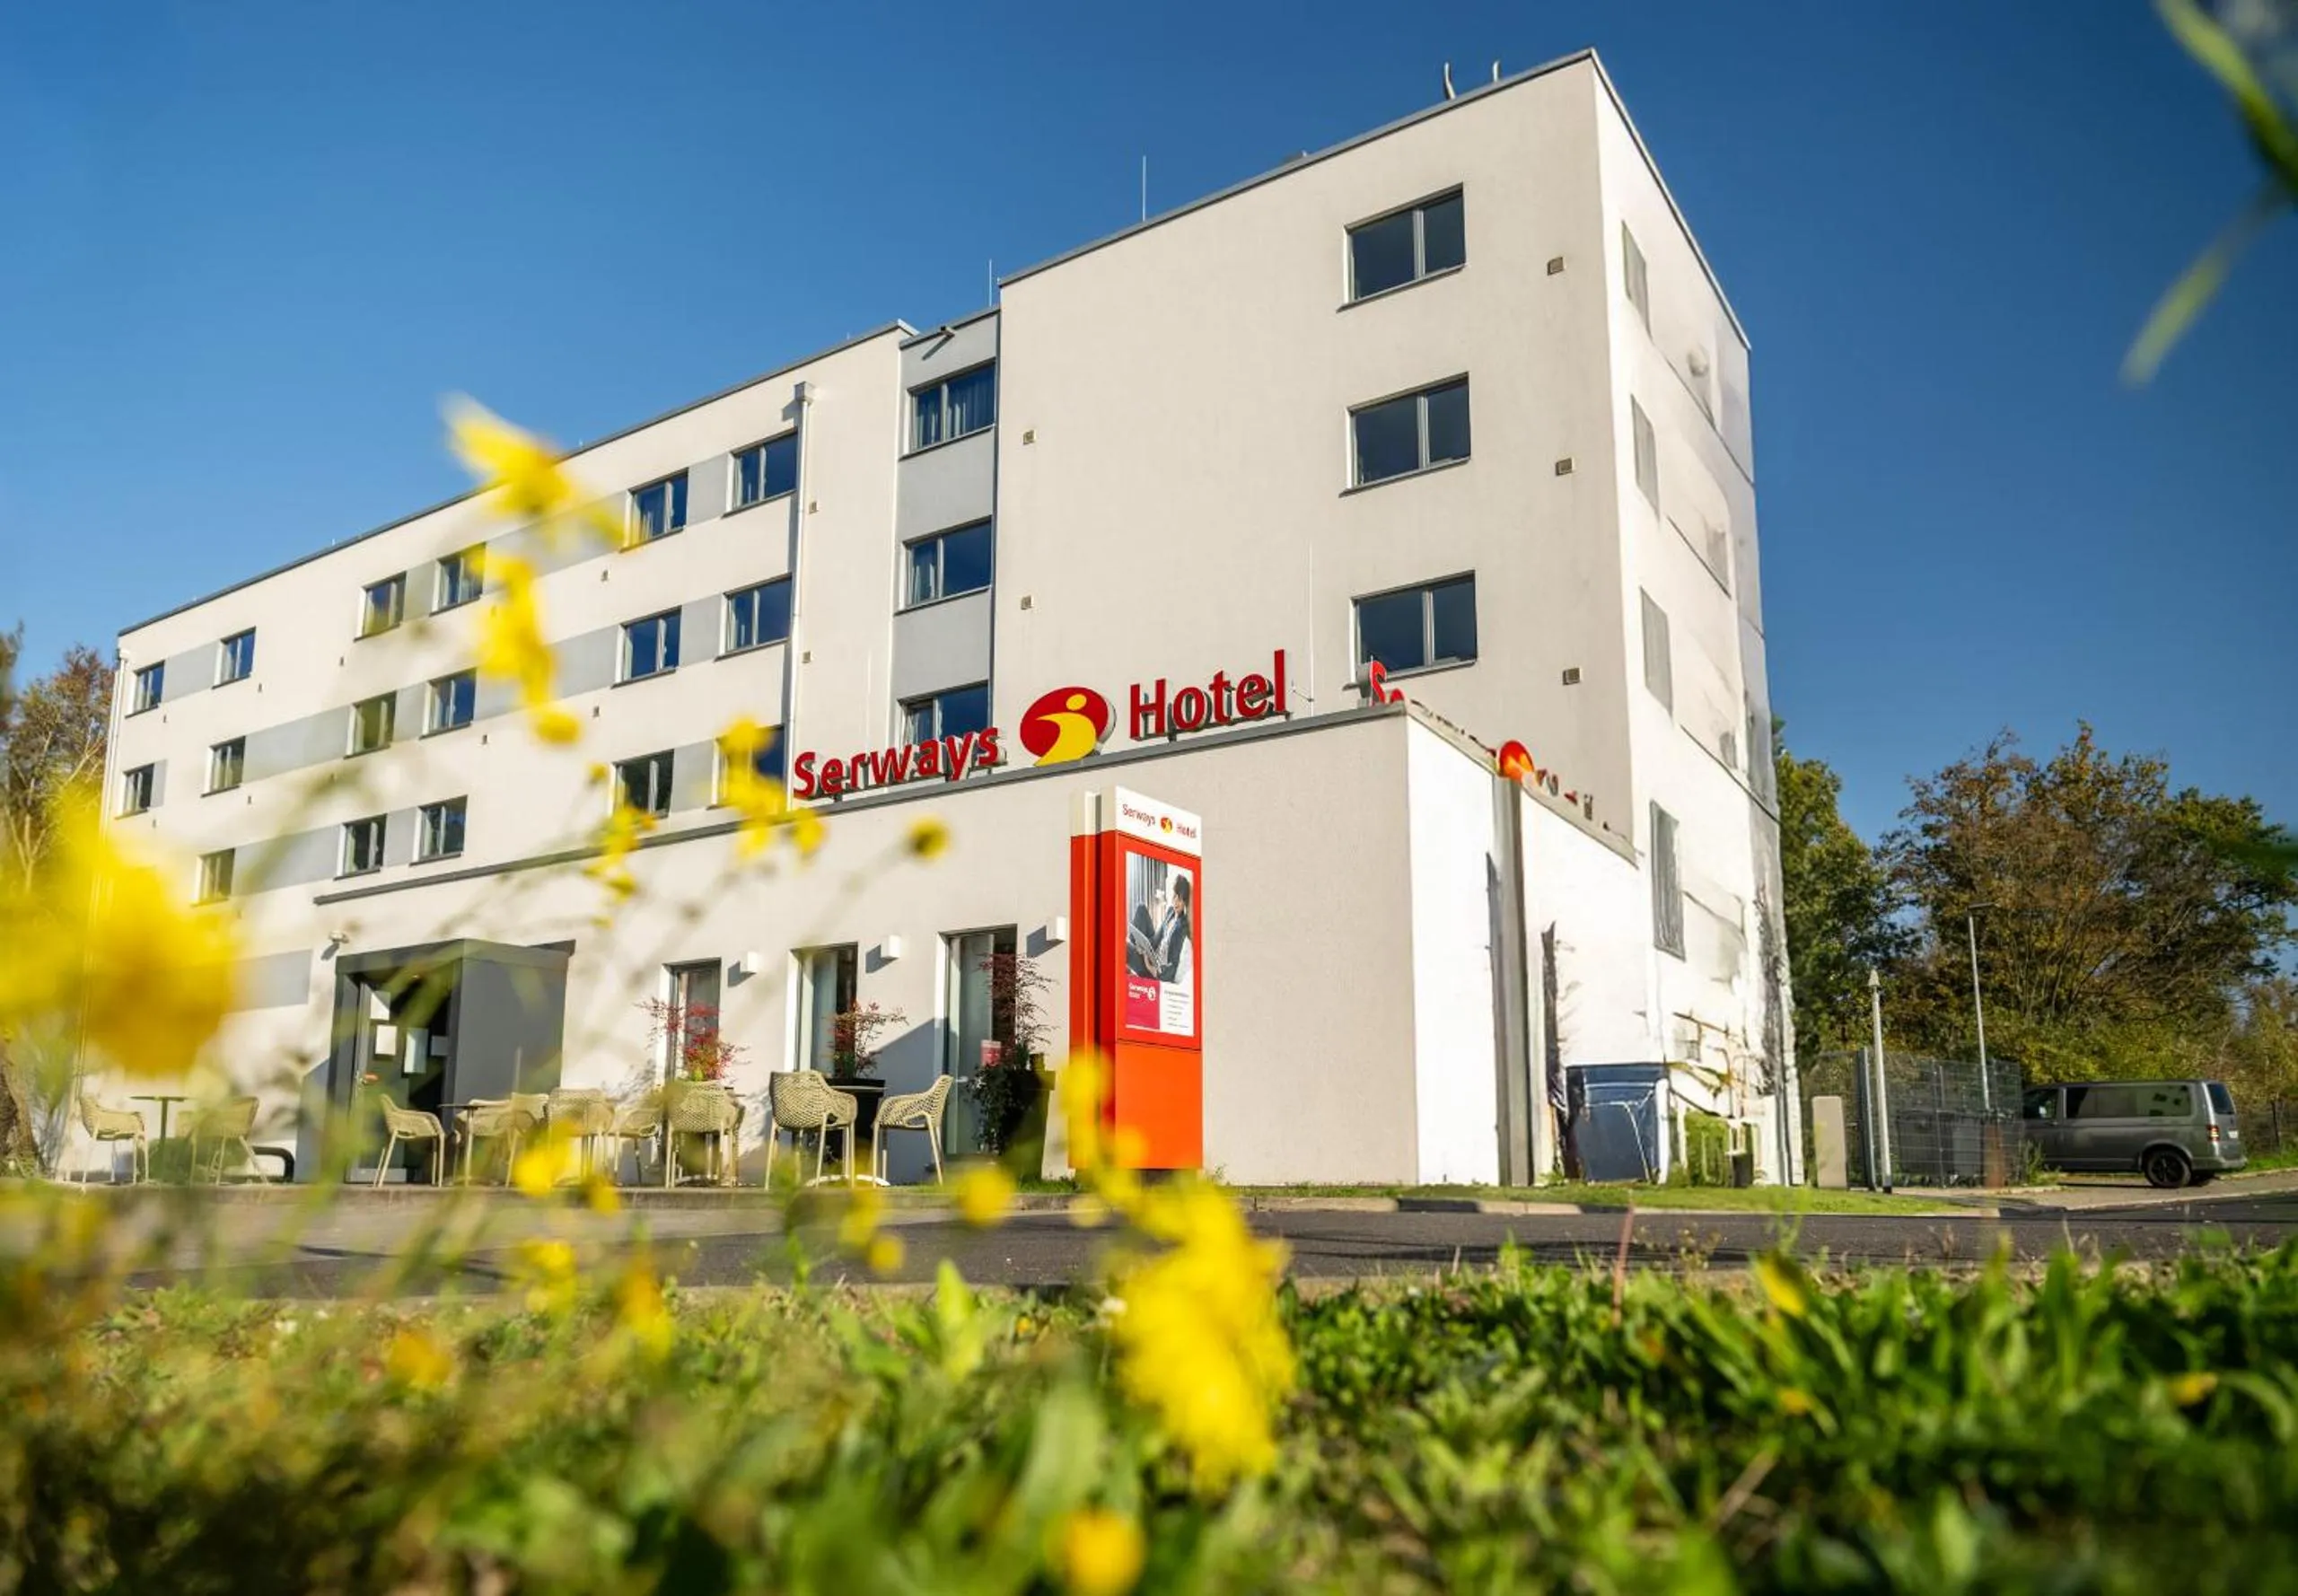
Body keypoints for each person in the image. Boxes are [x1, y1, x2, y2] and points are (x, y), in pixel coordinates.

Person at [1154, 874, 1193, 985]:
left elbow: (1174, 964)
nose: (1175, 902)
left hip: (1160, 969)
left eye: (1180, 899)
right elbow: (1157, 938)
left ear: (1185, 902)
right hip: (1155, 956)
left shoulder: (1183, 926)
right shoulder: (1170, 911)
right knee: (1141, 910)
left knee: (1126, 948)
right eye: (1174, 896)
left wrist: (1155, 971)